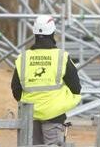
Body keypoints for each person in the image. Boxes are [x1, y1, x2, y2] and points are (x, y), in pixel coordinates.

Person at [11, 15, 81, 146]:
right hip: (54, 116)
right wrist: (61, 102)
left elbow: (16, 90)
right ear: (53, 32)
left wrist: (30, 103)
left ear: (35, 33)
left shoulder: (23, 58)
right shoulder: (61, 57)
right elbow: (76, 88)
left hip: (29, 115)